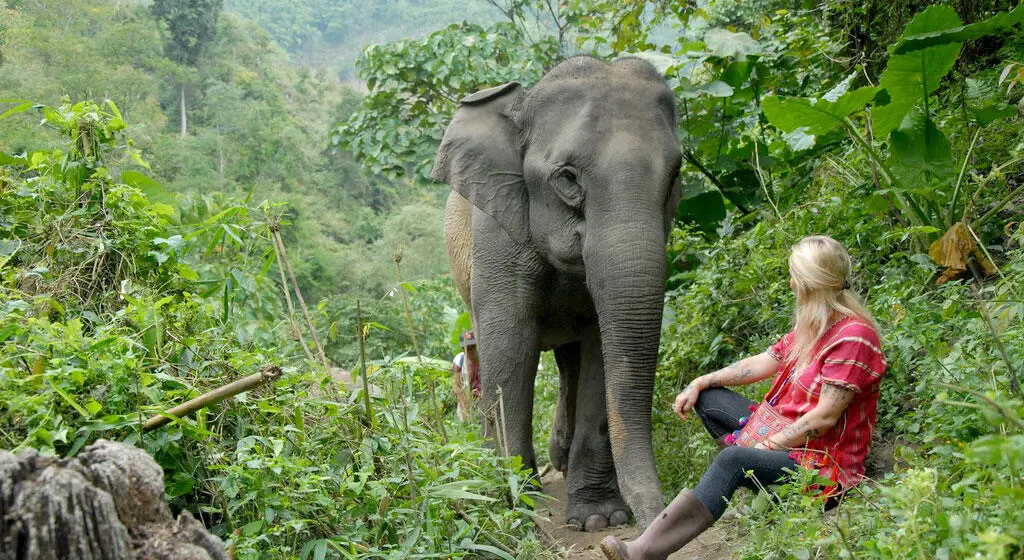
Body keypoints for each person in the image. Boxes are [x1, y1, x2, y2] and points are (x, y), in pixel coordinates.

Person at [601, 235, 886, 560]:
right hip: (788, 435)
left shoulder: (854, 337)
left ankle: (645, 551)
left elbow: (824, 418)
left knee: (733, 459)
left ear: (806, 284)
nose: (790, 284)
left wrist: (767, 446)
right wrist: (700, 382)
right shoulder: (814, 326)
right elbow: (762, 363)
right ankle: (755, 483)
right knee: (709, 397)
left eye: (794, 276)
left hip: (822, 466)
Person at [452, 330, 481, 421]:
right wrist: (463, 408)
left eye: (472, 347)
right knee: (465, 425)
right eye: (466, 348)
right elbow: (458, 386)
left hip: (482, 399)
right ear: (462, 348)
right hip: (466, 399)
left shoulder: (483, 358)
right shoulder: (459, 360)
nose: (470, 350)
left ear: (476, 346)